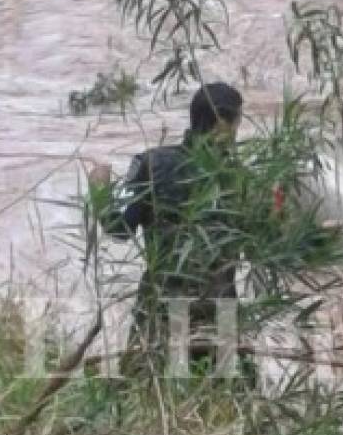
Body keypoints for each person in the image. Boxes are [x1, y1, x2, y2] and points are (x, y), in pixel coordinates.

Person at [88, 82, 243, 376]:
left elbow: (118, 227)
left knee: (140, 394)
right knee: (225, 406)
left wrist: (99, 190)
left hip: (161, 308)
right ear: (223, 123)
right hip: (219, 314)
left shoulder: (151, 164)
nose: (237, 132)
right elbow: (266, 242)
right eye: (237, 122)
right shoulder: (238, 178)